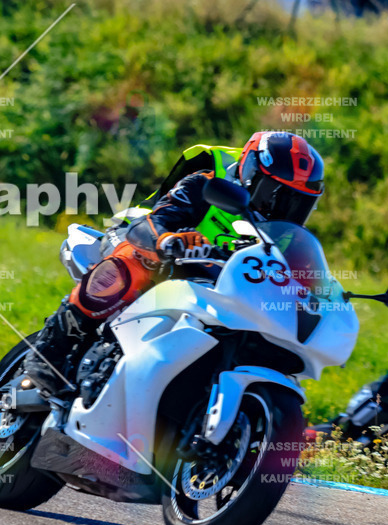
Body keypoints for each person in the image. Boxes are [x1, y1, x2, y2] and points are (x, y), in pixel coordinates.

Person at [23, 131, 326, 394]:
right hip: (144, 239)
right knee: (135, 264)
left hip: (208, 285)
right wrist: (170, 239)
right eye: (275, 195)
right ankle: (51, 349)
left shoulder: (289, 238)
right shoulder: (206, 184)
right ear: (249, 174)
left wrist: (322, 300)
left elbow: (301, 283)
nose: (280, 208)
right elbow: (158, 220)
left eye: (295, 202)